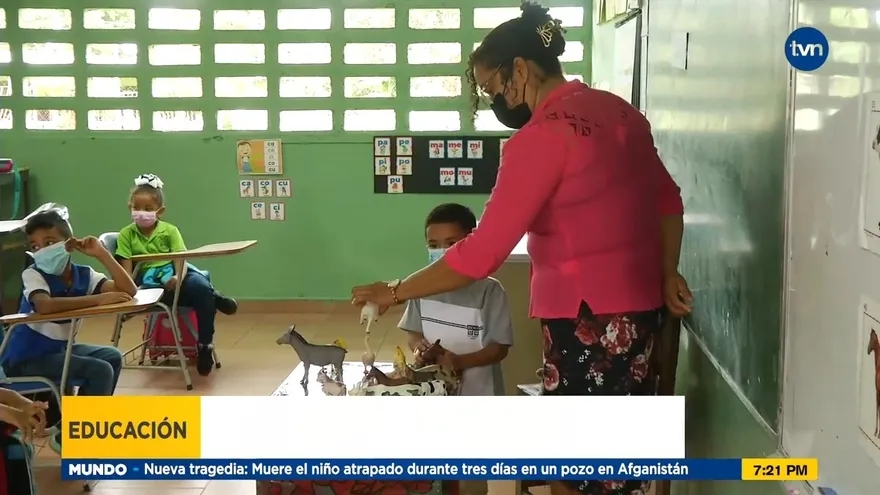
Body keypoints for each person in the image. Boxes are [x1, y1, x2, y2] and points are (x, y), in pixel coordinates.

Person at [351, 3, 693, 495]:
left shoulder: (540, 138)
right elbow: (669, 200)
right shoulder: (623, 114)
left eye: (494, 87)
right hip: (640, 315)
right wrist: (666, 272)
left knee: (575, 473)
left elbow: (481, 253)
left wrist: (396, 290)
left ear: (521, 69)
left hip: (587, 321)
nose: (496, 99)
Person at [0, 209, 138, 454]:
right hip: (25, 359)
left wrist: (102, 254)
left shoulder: (83, 275)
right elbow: (44, 305)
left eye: (50, 243)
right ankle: (73, 436)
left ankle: (72, 428)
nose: (41, 250)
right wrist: (97, 300)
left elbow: (129, 289)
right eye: (35, 245)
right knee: (99, 369)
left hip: (57, 351)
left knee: (112, 357)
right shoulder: (33, 274)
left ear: (69, 244)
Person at [115, 174, 238, 376]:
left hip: (178, 274)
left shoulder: (170, 231)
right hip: (150, 284)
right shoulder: (126, 235)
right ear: (130, 207)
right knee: (203, 296)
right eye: (136, 207)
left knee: (200, 289)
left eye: (148, 209)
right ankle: (217, 298)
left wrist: (178, 279)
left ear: (160, 211)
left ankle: (205, 346)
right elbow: (126, 271)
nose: (141, 213)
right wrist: (131, 295)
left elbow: (180, 260)